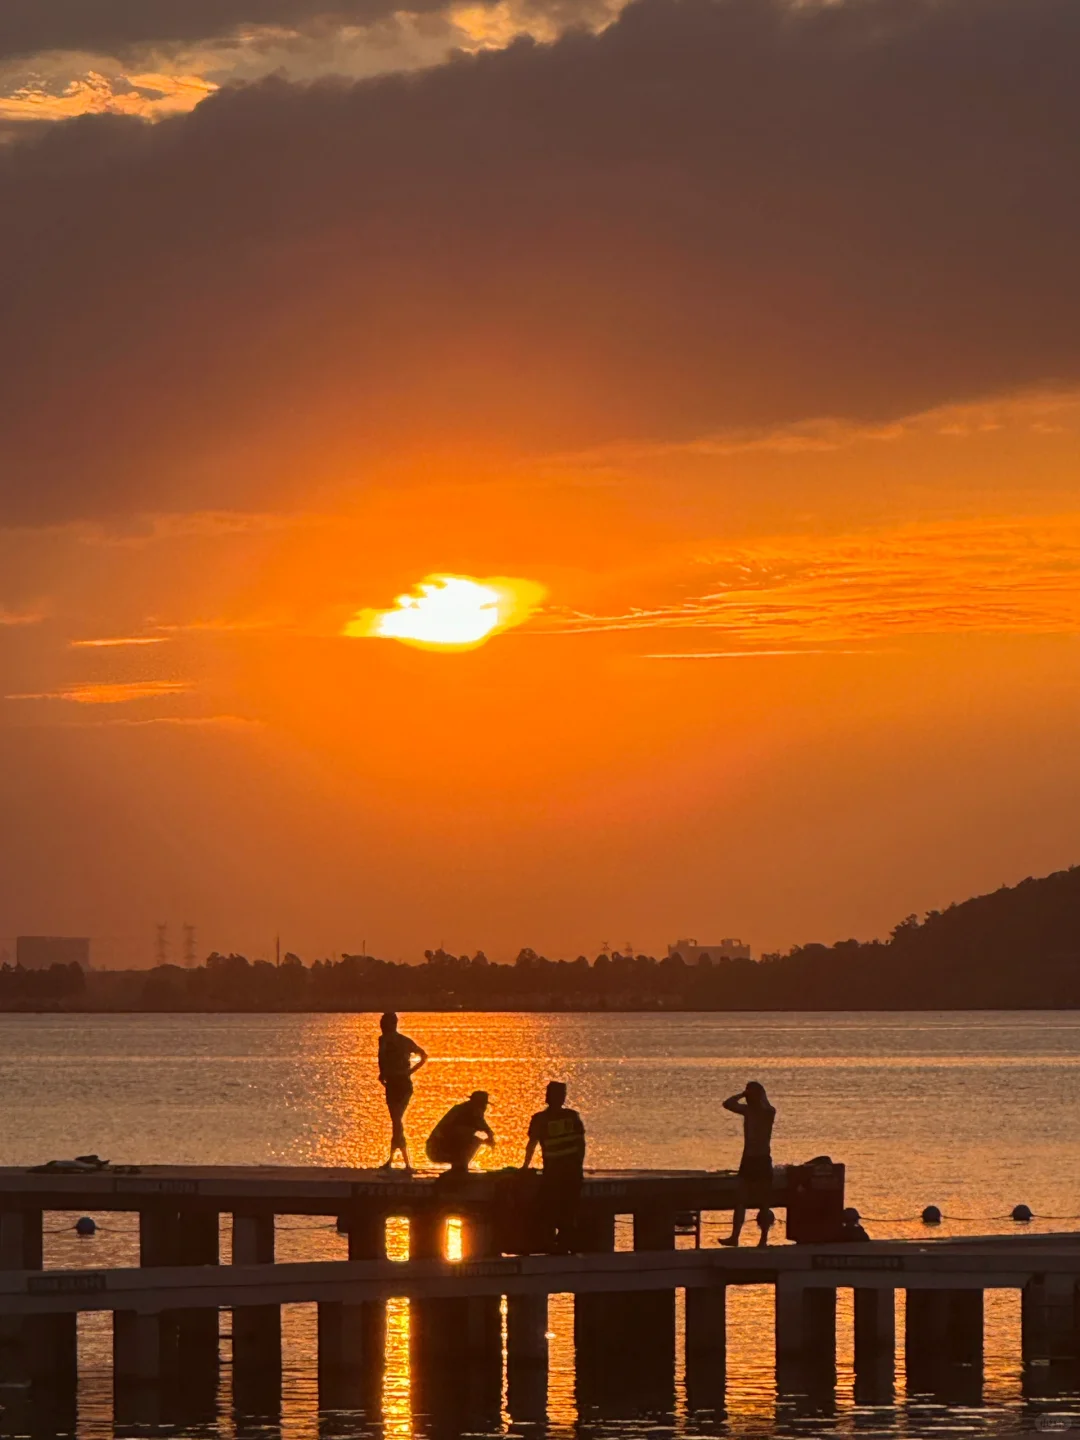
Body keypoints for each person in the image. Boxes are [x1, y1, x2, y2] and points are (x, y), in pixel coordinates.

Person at [522, 1081, 586, 1253]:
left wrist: (524, 1167)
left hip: (555, 1172)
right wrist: (579, 1165)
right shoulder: (572, 1116)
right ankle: (565, 1242)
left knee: (552, 1207)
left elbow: (532, 1144)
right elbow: (581, 1144)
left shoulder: (541, 1119)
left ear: (547, 1097)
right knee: (568, 1208)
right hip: (570, 1171)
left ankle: (555, 1242)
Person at [719, 1081, 775, 1248]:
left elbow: (767, 1107)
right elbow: (727, 1104)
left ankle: (763, 1239)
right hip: (748, 1159)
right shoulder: (748, 1111)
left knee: (764, 1202)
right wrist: (743, 1094)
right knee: (741, 1200)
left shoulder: (768, 1112)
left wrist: (758, 1096)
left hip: (762, 1159)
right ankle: (735, 1237)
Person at [377, 1012, 427, 1171]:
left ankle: (403, 1163)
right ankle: (395, 1161)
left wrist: (409, 1072)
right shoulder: (384, 1040)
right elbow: (382, 1060)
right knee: (396, 1122)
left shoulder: (400, 1040)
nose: (382, 1026)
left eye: (385, 1023)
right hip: (392, 1084)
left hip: (402, 1084)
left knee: (397, 1120)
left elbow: (423, 1055)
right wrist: (383, 1074)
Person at [426, 1091, 495, 1176]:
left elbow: (488, 1130)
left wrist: (490, 1139)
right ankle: (459, 1168)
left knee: (475, 1139)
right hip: (435, 1150)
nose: (484, 1108)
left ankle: (459, 1168)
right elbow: (448, 1132)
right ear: (475, 1104)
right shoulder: (462, 1112)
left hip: (445, 1147)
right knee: (470, 1137)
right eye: (482, 1105)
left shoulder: (474, 1114)